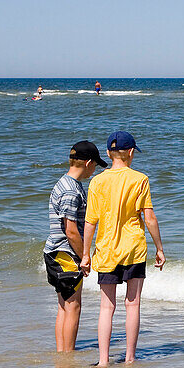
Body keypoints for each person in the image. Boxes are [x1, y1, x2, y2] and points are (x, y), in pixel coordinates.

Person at [80, 131, 166, 366]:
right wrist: (159, 248)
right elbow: (149, 217)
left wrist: (86, 254)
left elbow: (90, 221)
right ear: (130, 153)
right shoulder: (140, 179)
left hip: (106, 250)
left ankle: (104, 360)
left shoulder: (97, 181)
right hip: (133, 249)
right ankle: (129, 358)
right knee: (133, 304)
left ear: (108, 153)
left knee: (106, 307)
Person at [45, 141, 107, 352]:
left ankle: (63, 352)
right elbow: (70, 230)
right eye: (95, 165)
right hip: (65, 255)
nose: (94, 170)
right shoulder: (72, 190)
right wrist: (84, 257)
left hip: (54, 252)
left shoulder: (62, 183)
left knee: (64, 306)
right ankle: (67, 355)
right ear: (88, 163)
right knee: (73, 307)